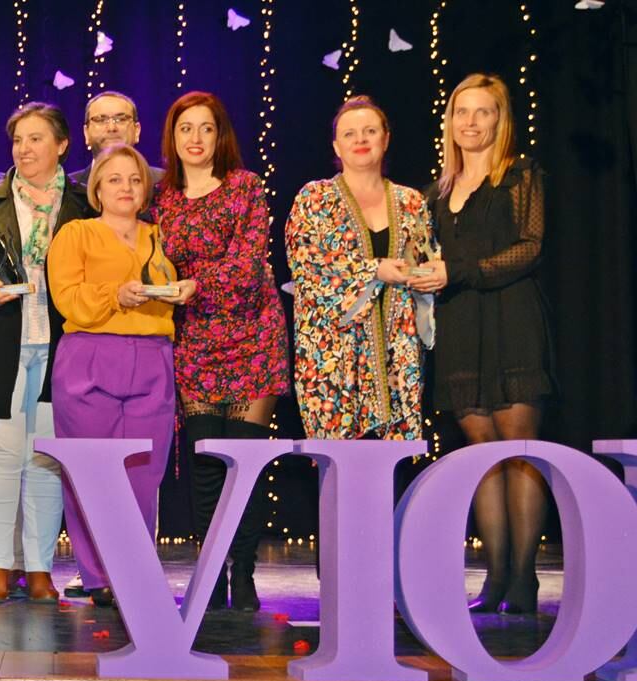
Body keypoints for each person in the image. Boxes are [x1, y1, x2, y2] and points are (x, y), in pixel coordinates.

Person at [0, 103, 95, 604]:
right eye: (19, 140)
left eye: (36, 139)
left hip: (62, 349)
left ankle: (41, 568)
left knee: (45, 460)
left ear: (62, 145)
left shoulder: (82, 203)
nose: (25, 150)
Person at [152, 91, 291, 612]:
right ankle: (210, 573)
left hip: (253, 333)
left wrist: (193, 282)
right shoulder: (159, 199)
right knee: (207, 463)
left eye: (205, 128)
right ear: (173, 136)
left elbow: (248, 262)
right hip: (194, 341)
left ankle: (246, 572)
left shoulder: (245, 187)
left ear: (220, 134)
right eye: (185, 127)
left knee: (246, 462)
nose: (195, 138)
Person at [426, 74, 553, 615]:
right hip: (459, 327)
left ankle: (525, 579)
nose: (470, 123)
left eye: (482, 113)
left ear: (500, 121)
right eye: (462, 112)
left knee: (517, 453)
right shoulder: (436, 190)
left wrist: (460, 270)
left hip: (510, 319)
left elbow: (530, 247)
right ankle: (496, 575)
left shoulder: (519, 175)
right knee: (481, 457)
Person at [49, 144, 195, 597]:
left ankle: (133, 574)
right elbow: (66, 296)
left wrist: (188, 286)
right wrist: (116, 295)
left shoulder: (161, 234)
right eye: (114, 179)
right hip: (90, 356)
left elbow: (181, 279)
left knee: (143, 474)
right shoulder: (76, 233)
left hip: (152, 356)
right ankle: (99, 577)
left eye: (134, 179)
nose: (126, 188)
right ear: (97, 187)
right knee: (92, 473)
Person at [286, 96, 436, 443]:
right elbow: (308, 267)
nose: (361, 140)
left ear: (385, 138)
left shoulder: (411, 201)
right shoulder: (314, 199)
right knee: (341, 478)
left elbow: (424, 263)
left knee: (391, 479)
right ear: (336, 145)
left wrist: (433, 273)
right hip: (334, 360)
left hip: (397, 354)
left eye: (370, 131)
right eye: (350, 133)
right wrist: (374, 271)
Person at [79, 91, 164, 184]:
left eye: (121, 119)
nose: (111, 128)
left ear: (137, 131)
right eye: (101, 120)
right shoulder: (68, 189)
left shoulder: (163, 183)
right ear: (86, 133)